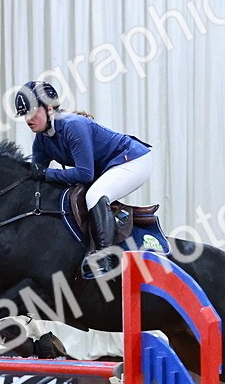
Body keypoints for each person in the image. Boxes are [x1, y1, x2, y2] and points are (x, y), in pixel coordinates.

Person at [14, 80, 152, 277]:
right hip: (110, 166)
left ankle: (104, 258)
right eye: (24, 115)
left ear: (49, 108)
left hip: (134, 160)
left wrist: (46, 174)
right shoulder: (41, 140)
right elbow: (36, 177)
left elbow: (84, 174)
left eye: (32, 112)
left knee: (95, 194)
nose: (28, 119)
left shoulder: (73, 126)